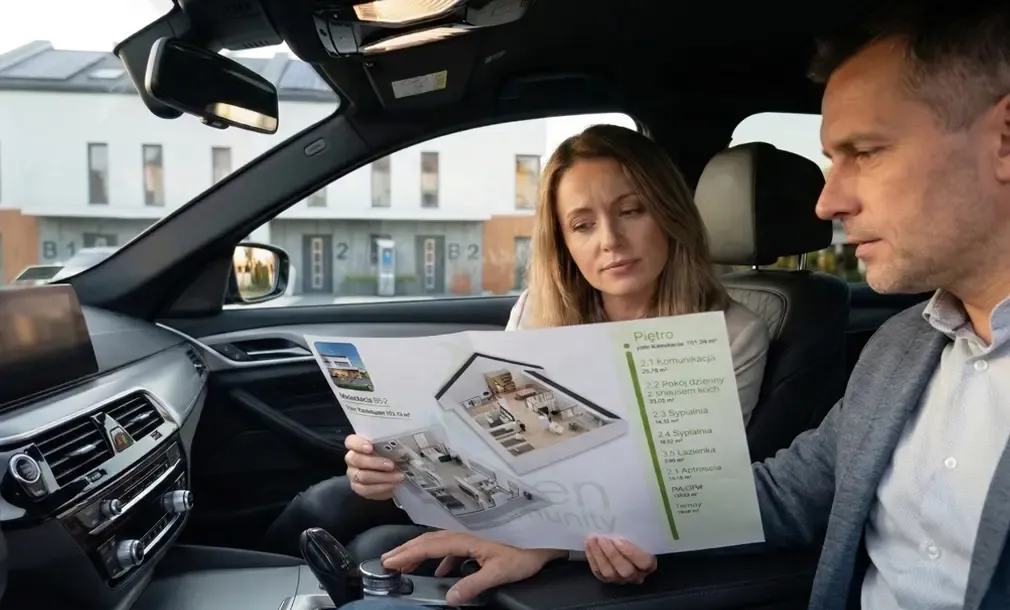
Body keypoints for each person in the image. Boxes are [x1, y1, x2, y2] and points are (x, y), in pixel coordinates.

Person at [311, 2, 1010, 610]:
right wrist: (535, 531)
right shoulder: (902, 348)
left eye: (866, 152)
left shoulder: (739, 329)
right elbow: (774, 497)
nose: (826, 202)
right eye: (832, 160)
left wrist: (557, 538)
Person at [265, 124, 771, 569]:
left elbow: (692, 494)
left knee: (374, 550)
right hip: (511, 503)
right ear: (564, 241)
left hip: (598, 539)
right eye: (583, 225)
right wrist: (394, 469)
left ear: (669, 212)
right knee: (326, 504)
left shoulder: (733, 332)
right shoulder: (538, 308)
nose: (610, 240)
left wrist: (548, 546)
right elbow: (491, 436)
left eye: (632, 210)